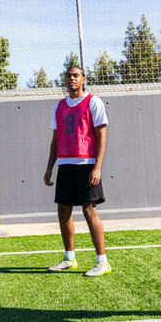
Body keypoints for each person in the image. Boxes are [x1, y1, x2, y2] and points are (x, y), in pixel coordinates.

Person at [43, 66, 110, 277]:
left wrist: (97, 167)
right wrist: (49, 166)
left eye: (75, 76)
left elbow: (102, 137)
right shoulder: (58, 106)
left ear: (83, 79)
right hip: (65, 165)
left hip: (86, 164)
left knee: (89, 211)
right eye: (68, 76)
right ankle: (69, 258)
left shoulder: (93, 102)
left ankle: (102, 261)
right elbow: (55, 140)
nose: (71, 79)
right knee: (63, 211)